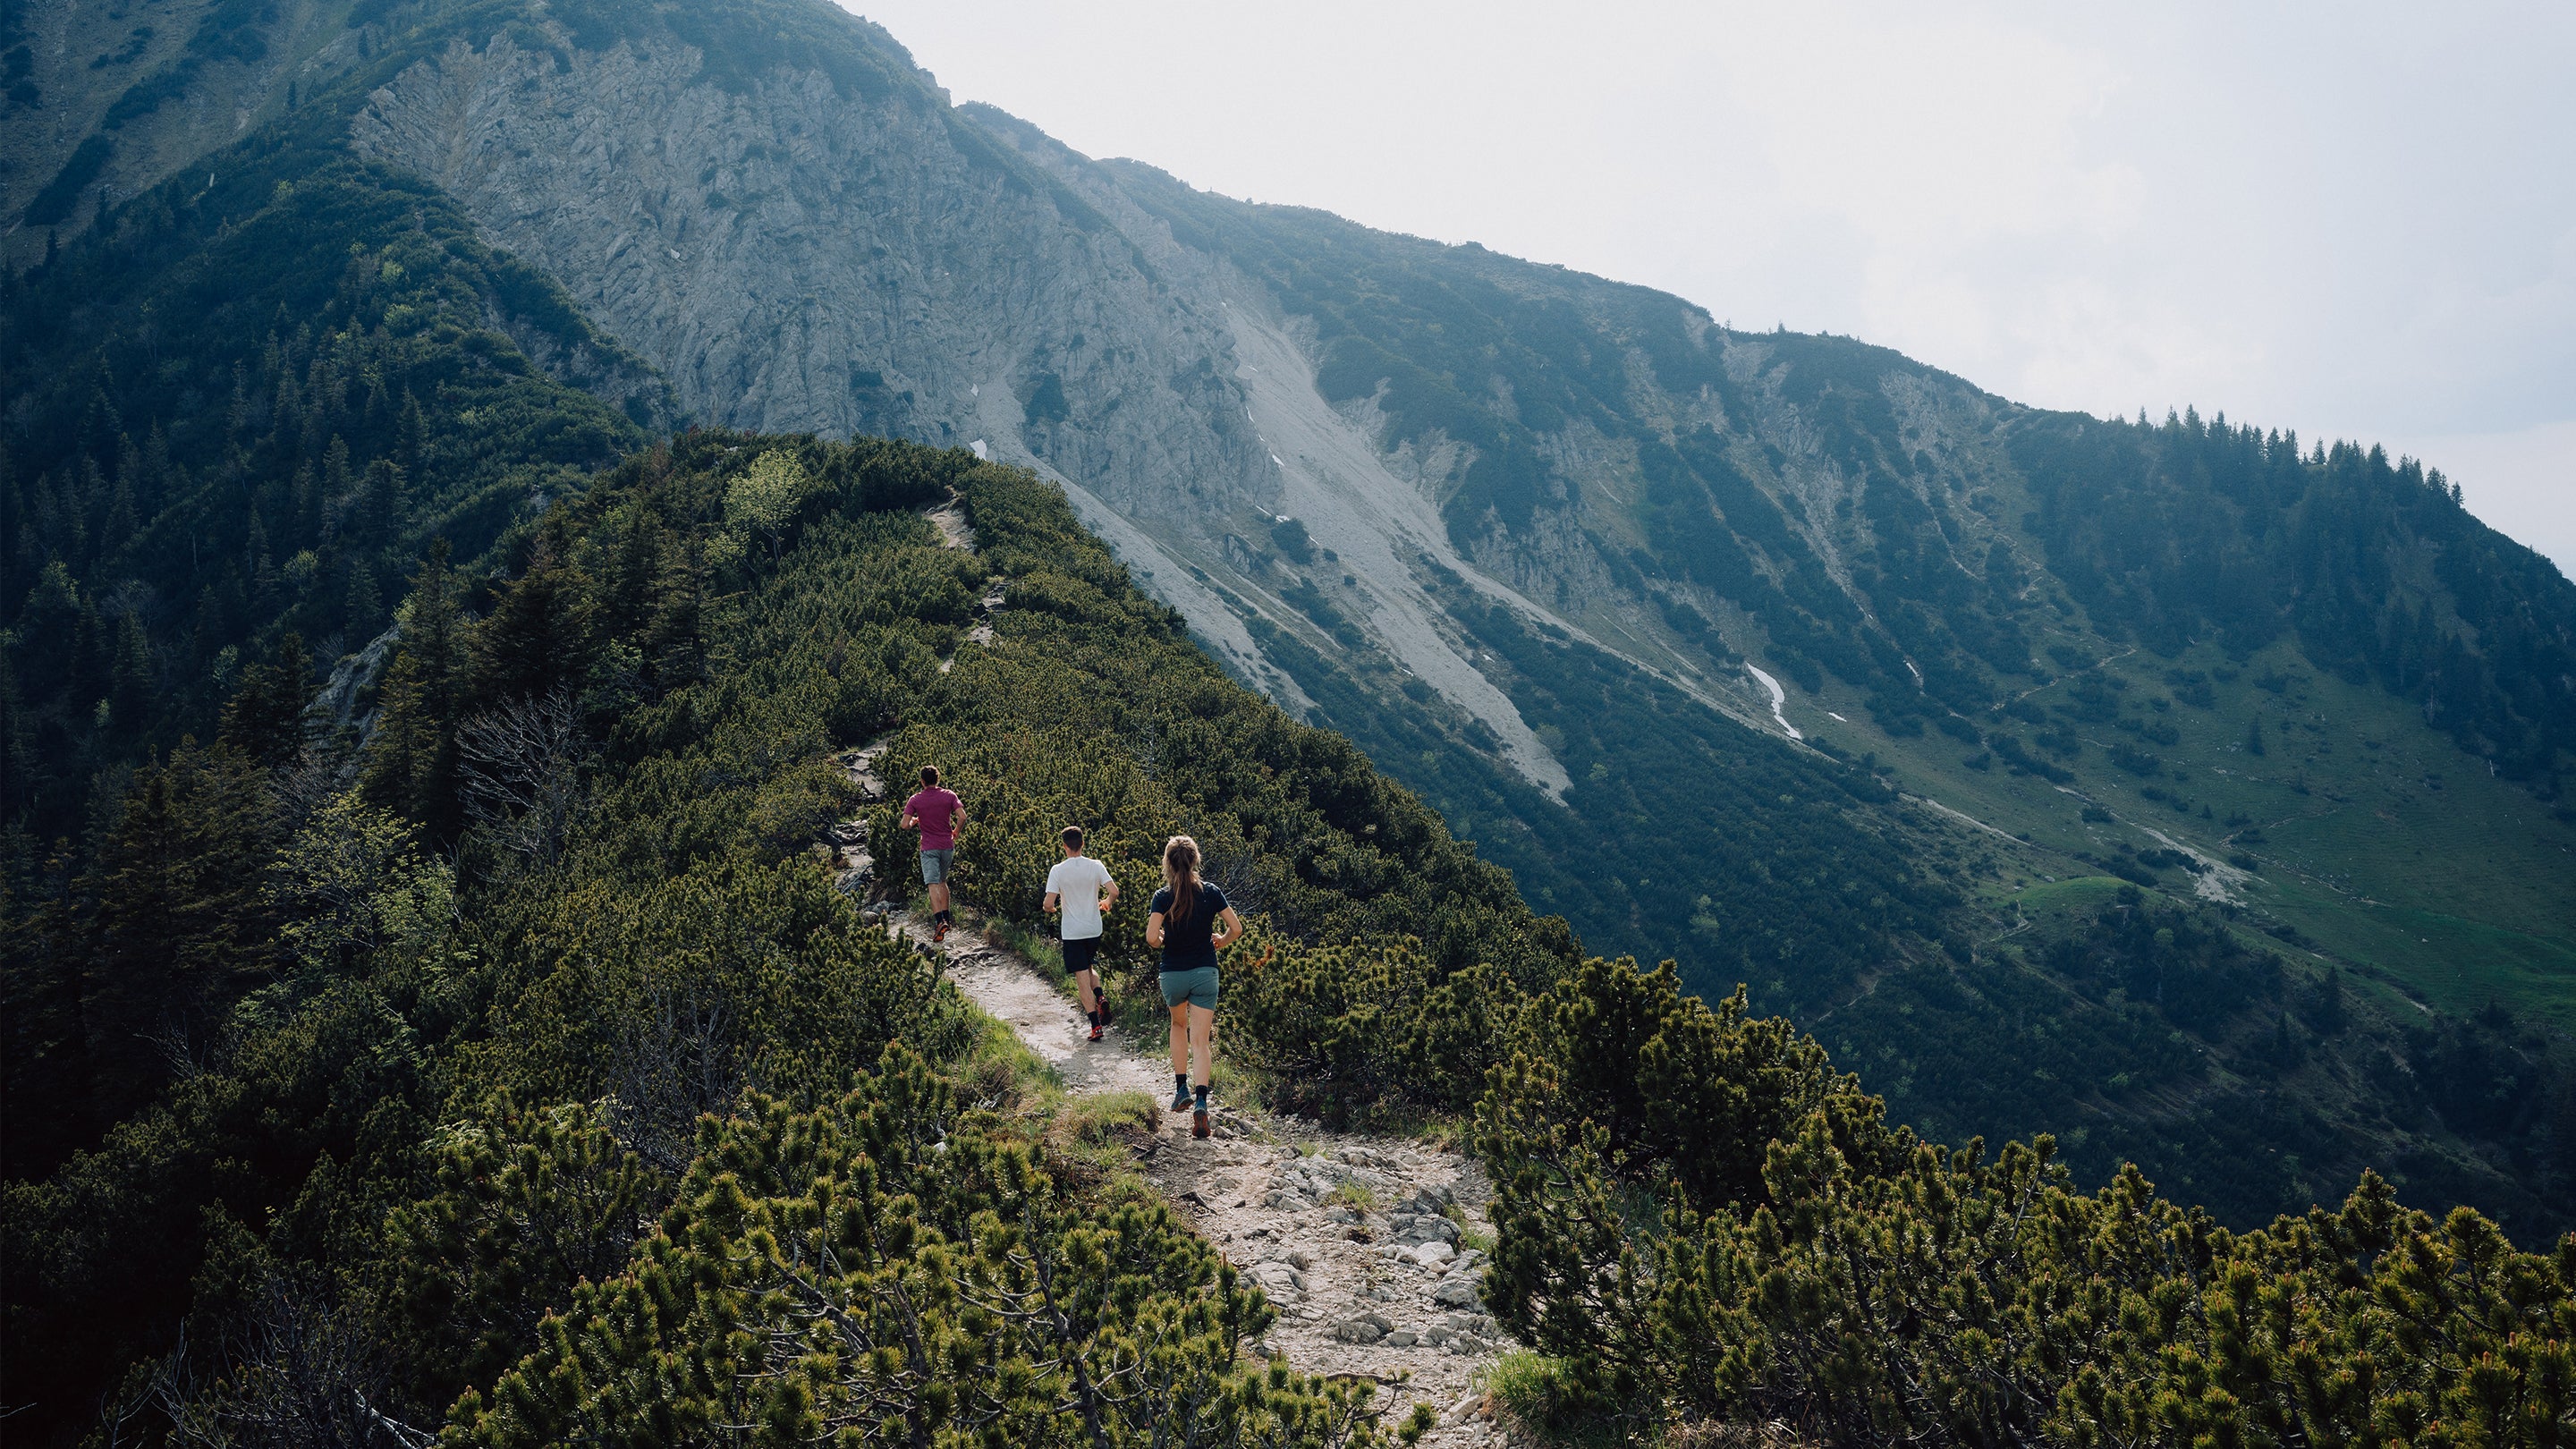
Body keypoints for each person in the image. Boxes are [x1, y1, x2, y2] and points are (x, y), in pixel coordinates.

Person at [1147, 834, 1239, 1139]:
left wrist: (1162, 940)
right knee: (1200, 1041)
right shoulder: (1211, 893)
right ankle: (1201, 1102)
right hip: (1204, 972)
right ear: (1196, 860)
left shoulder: (1162, 896)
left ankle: (1180, 1089)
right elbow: (1236, 928)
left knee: (1177, 1025)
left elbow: (1151, 937)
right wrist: (1221, 940)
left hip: (1173, 973)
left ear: (1168, 864)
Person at [1043, 825, 1120, 1042]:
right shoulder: (1096, 866)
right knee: (1089, 967)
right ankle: (1100, 995)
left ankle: (1095, 1026)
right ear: (1083, 844)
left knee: (1081, 977)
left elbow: (1048, 902)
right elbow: (1114, 891)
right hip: (1094, 928)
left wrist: (1051, 909)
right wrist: (1107, 902)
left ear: (1065, 846)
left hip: (1073, 931)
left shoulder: (1058, 870)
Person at [901, 764, 964, 942]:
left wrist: (914, 821)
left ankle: (939, 922)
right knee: (943, 881)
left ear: (922, 781)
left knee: (932, 884)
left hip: (929, 848)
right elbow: (962, 816)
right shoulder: (949, 795)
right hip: (947, 846)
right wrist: (956, 832)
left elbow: (904, 825)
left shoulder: (916, 799)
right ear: (938, 779)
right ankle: (947, 918)